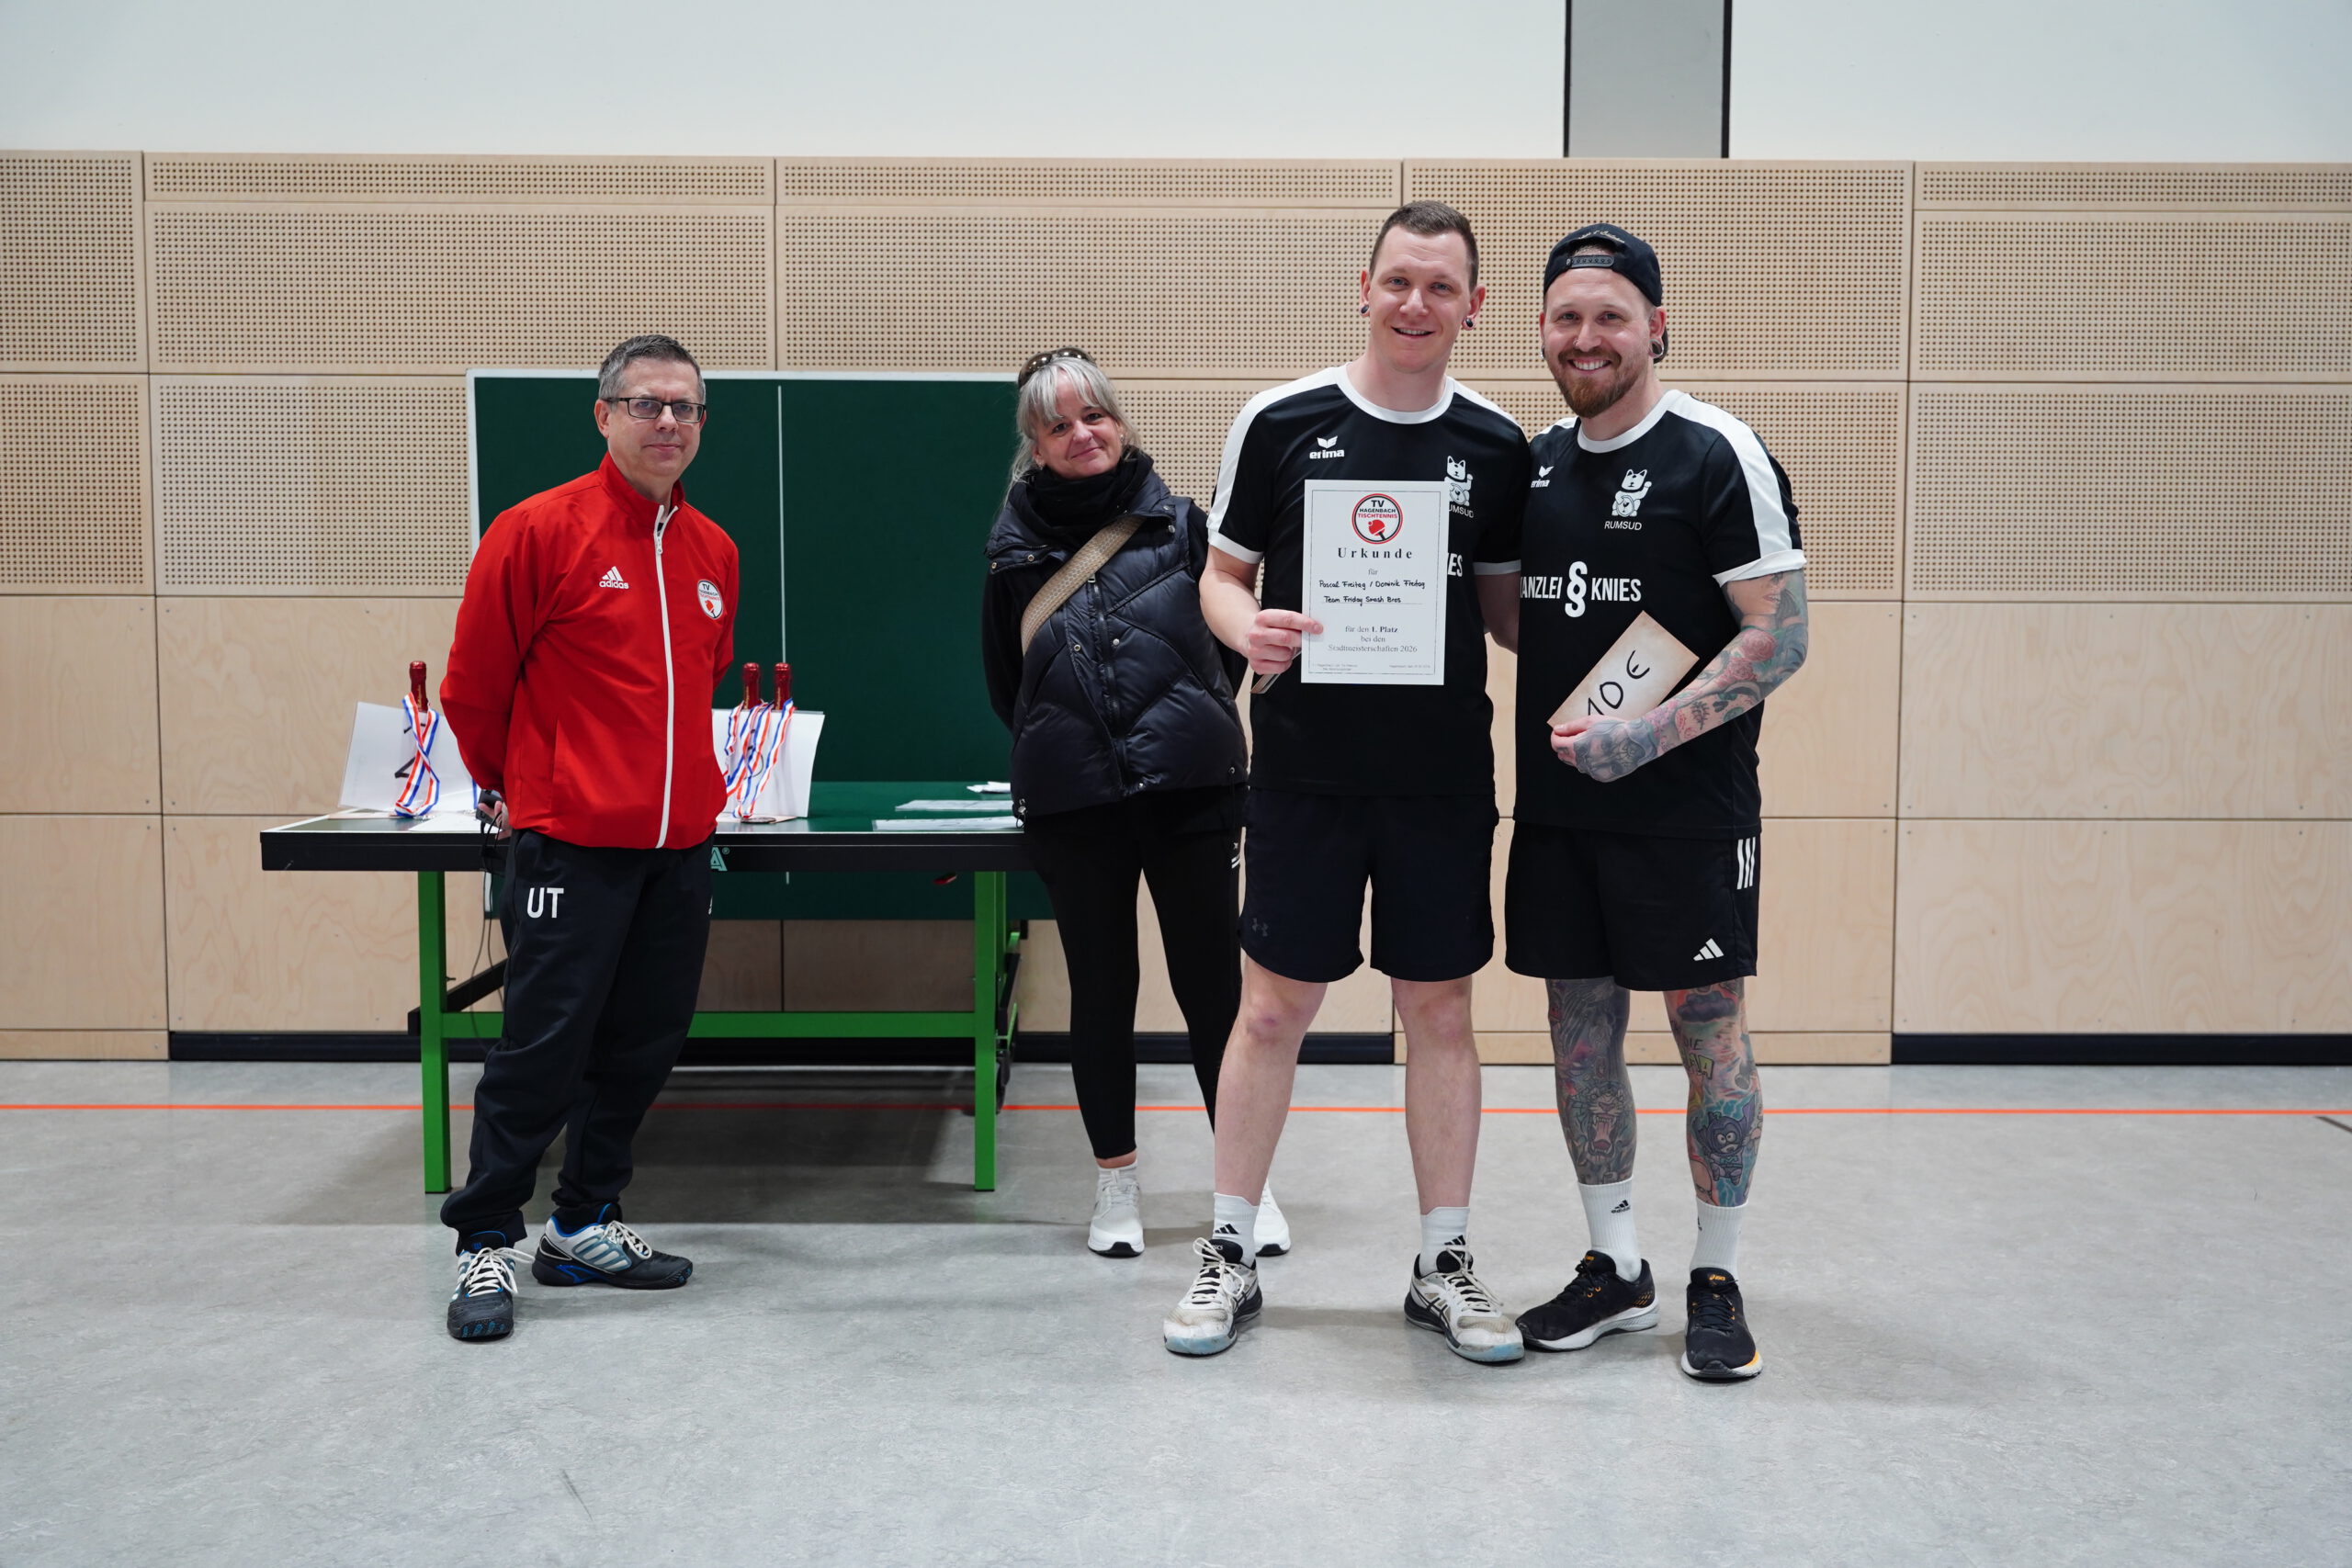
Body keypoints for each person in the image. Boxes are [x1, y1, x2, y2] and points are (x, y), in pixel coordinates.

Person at [1161, 202, 1532, 1361]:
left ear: (1473, 307)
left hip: (1439, 782)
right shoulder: (1279, 421)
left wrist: (1637, 618)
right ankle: (1228, 1249)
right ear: (1361, 288)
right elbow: (1219, 577)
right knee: (1272, 1010)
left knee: (1440, 1013)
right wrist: (1248, 629)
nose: (1416, 305)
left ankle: (1443, 1262)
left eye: (1441, 287)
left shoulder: (1497, 444)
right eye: (1398, 282)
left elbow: (1507, 614)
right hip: (1304, 775)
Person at [1501, 224, 1807, 1382]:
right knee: (1577, 1031)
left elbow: (1780, 637)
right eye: (1566, 317)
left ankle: (1714, 1277)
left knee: (1705, 1028)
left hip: (1687, 812)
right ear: (1542, 328)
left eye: (1611, 317)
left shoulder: (1716, 452)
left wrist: (1643, 734)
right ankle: (1615, 1266)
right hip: (1559, 808)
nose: (1586, 338)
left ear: (1655, 327)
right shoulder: (1533, 464)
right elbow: (1516, 616)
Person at [435, 333, 739, 1343]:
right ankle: (486, 1236)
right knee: (543, 1049)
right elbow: (474, 690)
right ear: (604, 415)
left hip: (677, 849)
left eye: (685, 407)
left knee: (643, 1043)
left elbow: (698, 684)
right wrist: (533, 790)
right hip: (569, 843)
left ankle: (583, 1224)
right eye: (647, 403)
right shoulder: (535, 532)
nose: (668, 422)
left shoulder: (713, 551)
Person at [980, 347, 1281, 1259]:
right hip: (1074, 804)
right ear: (1034, 444)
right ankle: (1115, 1182)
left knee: (1213, 991)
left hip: (1191, 790)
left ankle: (1244, 1188)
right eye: (1059, 424)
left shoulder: (1185, 527)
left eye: (1095, 415)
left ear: (1120, 421)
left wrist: (1178, 728)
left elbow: (1223, 656)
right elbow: (1007, 685)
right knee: (1102, 993)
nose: (1083, 434)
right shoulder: (1011, 552)